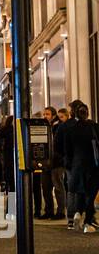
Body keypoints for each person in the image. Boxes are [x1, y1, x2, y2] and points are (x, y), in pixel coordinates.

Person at [61, 100, 99, 233]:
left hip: (77, 165)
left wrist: (70, 163)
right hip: (93, 165)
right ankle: (88, 222)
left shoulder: (71, 129)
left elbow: (67, 150)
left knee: (80, 191)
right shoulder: (93, 126)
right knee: (91, 193)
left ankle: (77, 212)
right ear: (87, 113)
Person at [38, 107, 66, 219]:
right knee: (45, 187)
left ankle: (60, 212)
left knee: (58, 187)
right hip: (45, 162)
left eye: (47, 114)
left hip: (57, 162)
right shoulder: (43, 127)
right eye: (44, 114)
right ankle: (48, 211)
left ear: (53, 116)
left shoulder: (58, 127)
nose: (45, 116)